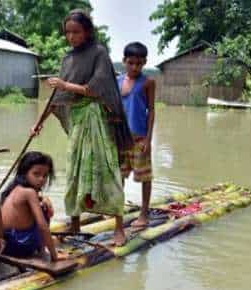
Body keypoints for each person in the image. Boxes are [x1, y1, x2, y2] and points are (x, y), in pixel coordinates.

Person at [30, 9, 133, 246]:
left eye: (76, 32)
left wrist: (66, 84)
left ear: (87, 32)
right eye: (67, 32)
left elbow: (97, 88)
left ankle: (119, 227)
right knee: (74, 172)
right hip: (77, 122)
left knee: (107, 170)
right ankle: (75, 224)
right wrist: (38, 123)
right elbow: (57, 97)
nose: (71, 37)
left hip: (96, 119)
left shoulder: (99, 53)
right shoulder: (67, 59)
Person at [118, 42, 156, 228]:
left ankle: (144, 213)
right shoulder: (117, 81)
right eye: (131, 63)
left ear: (144, 63)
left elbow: (151, 111)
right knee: (119, 177)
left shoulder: (148, 82)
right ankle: (117, 211)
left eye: (139, 63)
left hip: (139, 139)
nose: (135, 67)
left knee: (144, 177)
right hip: (120, 139)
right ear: (124, 61)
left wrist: (148, 139)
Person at [0, 151, 62, 261]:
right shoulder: (29, 193)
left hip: (7, 245)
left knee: (42, 203)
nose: (41, 179)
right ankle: (42, 250)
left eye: (45, 176)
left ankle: (41, 248)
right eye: (36, 174)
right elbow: (43, 226)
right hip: (20, 247)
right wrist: (54, 256)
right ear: (25, 173)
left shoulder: (13, 189)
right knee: (43, 209)